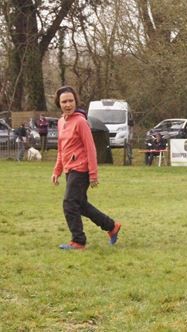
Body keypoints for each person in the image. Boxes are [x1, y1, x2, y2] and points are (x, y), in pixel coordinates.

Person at [51, 86, 121, 250]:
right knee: (80, 205)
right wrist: (57, 171)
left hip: (81, 169)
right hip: (69, 169)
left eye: (71, 101)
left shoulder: (81, 122)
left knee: (69, 203)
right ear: (59, 103)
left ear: (76, 101)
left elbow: (91, 149)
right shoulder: (61, 122)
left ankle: (78, 241)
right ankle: (111, 226)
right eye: (64, 101)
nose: (68, 104)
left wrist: (93, 174)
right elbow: (62, 149)